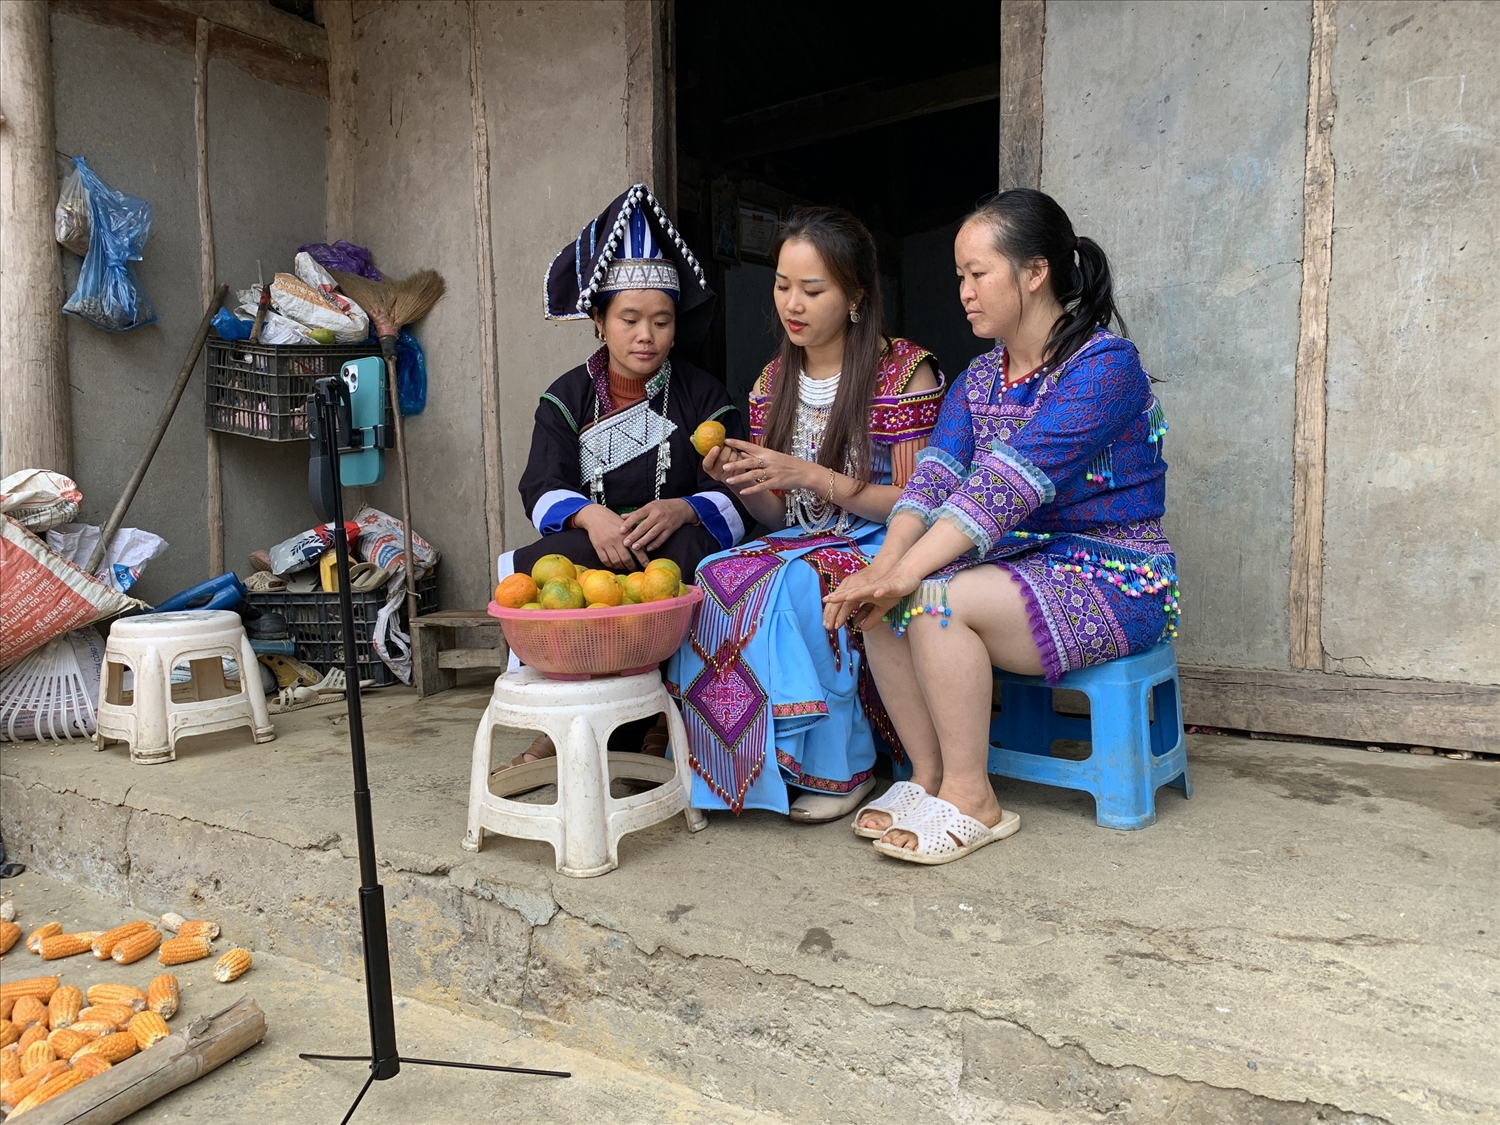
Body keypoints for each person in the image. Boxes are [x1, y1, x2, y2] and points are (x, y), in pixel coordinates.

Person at [824, 189, 1178, 866]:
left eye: (978, 273)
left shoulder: (1104, 366)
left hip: (1116, 572)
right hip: (1018, 565)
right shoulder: (980, 377)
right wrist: (883, 567)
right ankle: (927, 777)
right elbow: (932, 482)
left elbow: (1006, 487)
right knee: (881, 599)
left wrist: (906, 572)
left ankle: (974, 797)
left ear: (1035, 272)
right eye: (960, 275)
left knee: (931, 596)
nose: (964, 291)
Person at [668, 207, 945, 823]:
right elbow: (778, 516)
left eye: (812, 290)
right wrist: (741, 480)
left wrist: (813, 475)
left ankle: (842, 767)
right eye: (782, 286)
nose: (792, 305)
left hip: (887, 540)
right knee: (714, 574)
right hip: (806, 536)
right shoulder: (772, 381)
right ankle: (740, 766)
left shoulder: (905, 372)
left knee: (799, 581)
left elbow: (919, 502)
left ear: (856, 295)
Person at [500, 183, 750, 769]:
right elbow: (540, 485)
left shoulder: (704, 395)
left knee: (694, 565)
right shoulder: (565, 398)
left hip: (675, 540)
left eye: (661, 321)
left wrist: (683, 508)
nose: (646, 336)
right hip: (597, 541)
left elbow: (740, 485)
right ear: (598, 321)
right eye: (630, 319)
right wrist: (592, 517)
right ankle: (558, 720)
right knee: (542, 567)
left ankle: (665, 715)